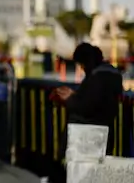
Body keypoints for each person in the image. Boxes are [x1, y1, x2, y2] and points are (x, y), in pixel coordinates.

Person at [50, 42, 124, 183]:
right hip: (106, 133)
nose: (82, 68)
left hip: (85, 136)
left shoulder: (97, 78)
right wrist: (74, 95)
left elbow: (86, 107)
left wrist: (69, 99)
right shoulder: (112, 75)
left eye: (81, 64)